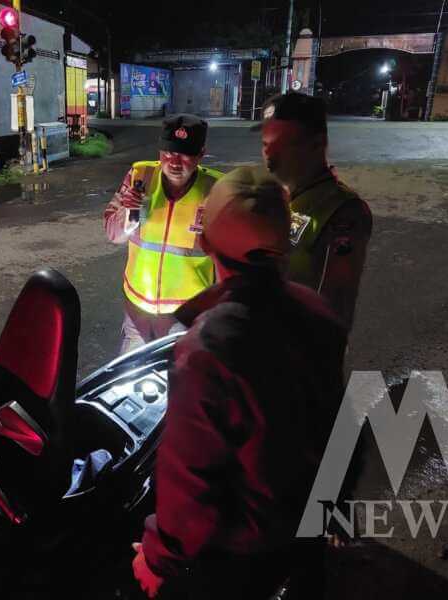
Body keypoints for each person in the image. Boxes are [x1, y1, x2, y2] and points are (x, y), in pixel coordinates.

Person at [132, 168, 347, 599]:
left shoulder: (208, 349)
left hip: (238, 556)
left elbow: (189, 483)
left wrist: (157, 558)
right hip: (303, 529)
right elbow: (340, 423)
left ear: (205, 242)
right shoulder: (318, 312)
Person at [104, 114, 223, 354]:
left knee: (180, 384)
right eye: (168, 153)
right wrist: (128, 212)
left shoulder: (217, 190)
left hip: (186, 318)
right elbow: (113, 235)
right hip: (137, 311)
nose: (174, 162)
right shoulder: (140, 176)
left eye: (184, 154)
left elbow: (228, 257)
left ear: (201, 154)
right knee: (129, 378)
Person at [258, 92, 372, 330]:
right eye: (266, 143)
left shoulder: (343, 212)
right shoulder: (275, 196)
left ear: (317, 143)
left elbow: (335, 306)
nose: (269, 153)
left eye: (281, 141)